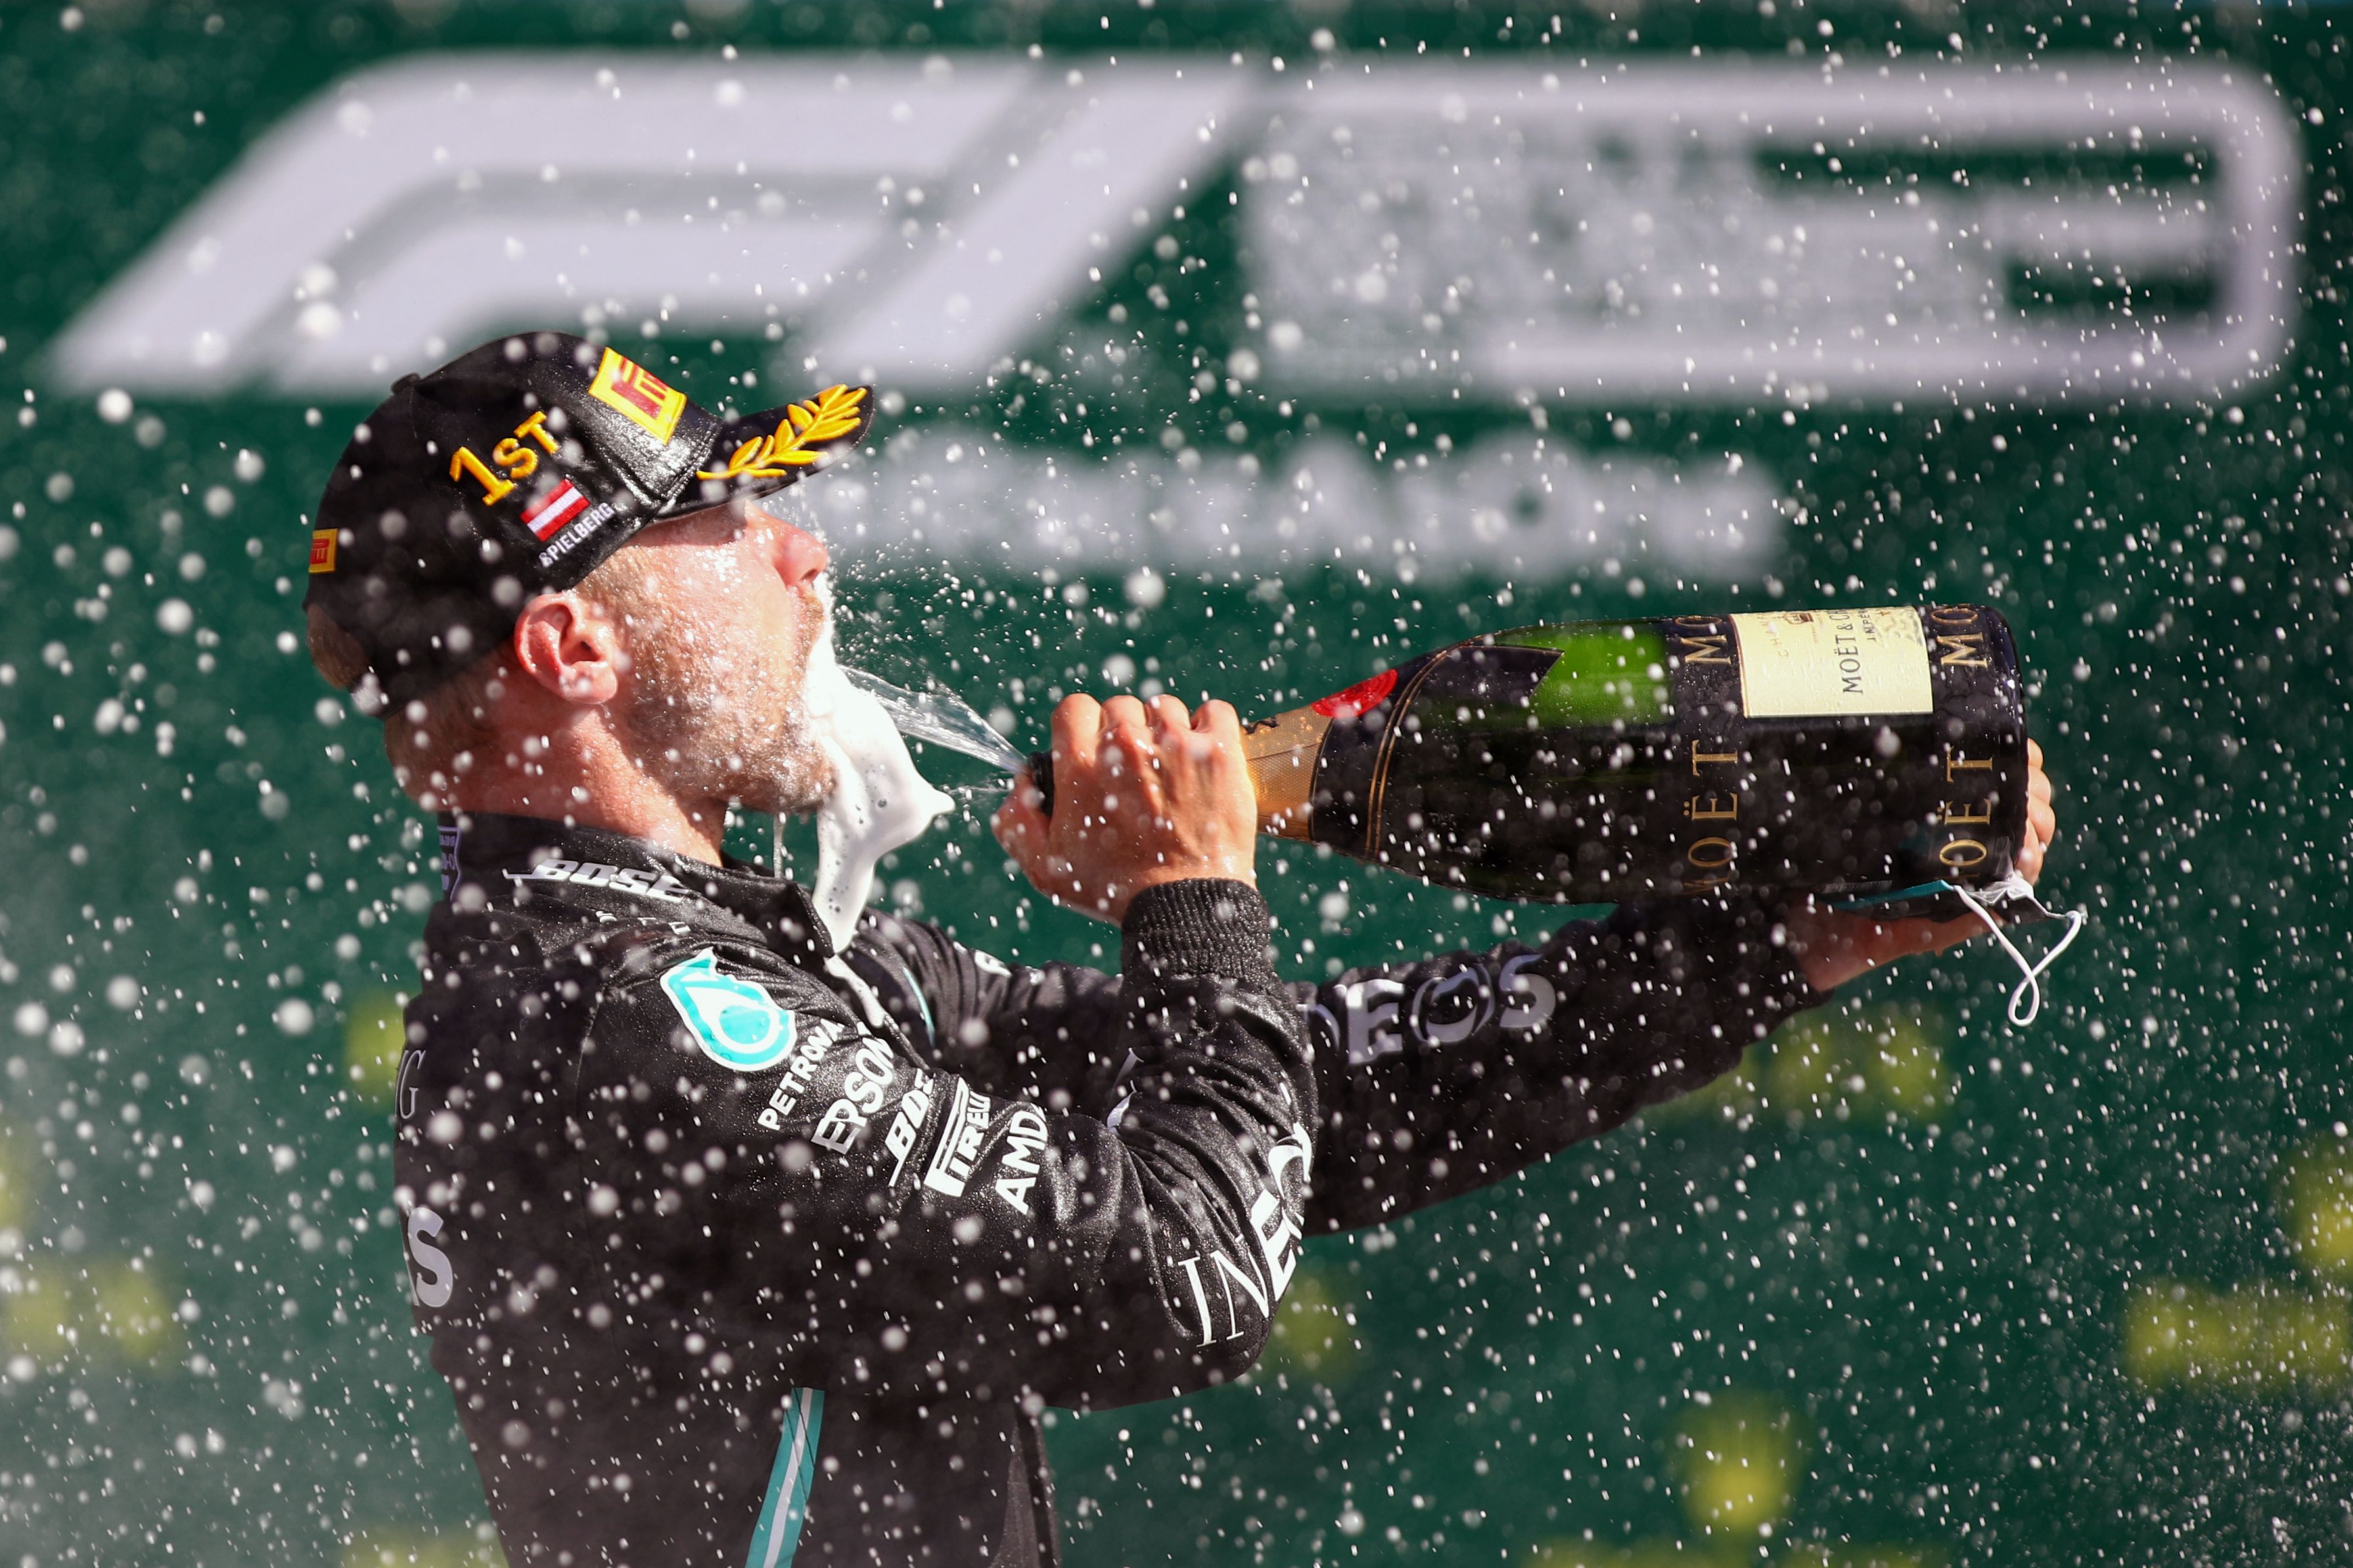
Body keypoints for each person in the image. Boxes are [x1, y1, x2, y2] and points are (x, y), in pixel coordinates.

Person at [303, 334, 2057, 1568]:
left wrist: (1772, 943)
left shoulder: (691, 970)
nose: (801, 550)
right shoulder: (627, 1016)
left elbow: (1320, 1109)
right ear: (571, 647)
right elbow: (1183, 1272)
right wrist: (1189, 900)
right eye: (721, 521)